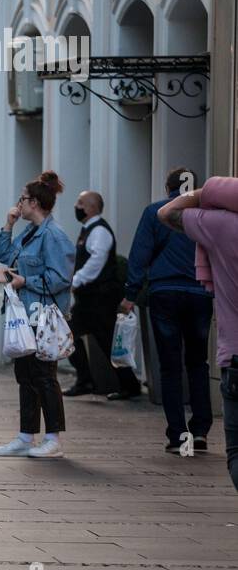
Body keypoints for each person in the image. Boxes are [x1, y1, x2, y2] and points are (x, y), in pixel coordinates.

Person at [123, 168, 214, 452]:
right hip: (200, 292)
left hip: (164, 293)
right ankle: (200, 431)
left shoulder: (155, 212)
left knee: (170, 366)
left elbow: (140, 254)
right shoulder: (207, 215)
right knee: (198, 363)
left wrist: (130, 293)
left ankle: (178, 436)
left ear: (167, 188)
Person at [158, 177, 238, 489]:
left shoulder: (222, 226)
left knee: (235, 452)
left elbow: (166, 213)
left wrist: (206, 191)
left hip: (235, 358)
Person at [0, 171, 76, 459]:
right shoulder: (29, 233)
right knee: (25, 374)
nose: (19, 203)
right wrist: (9, 224)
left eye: (23, 199)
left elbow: (60, 278)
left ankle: (53, 438)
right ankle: (26, 435)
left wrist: (24, 281)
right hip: (24, 314)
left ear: (36, 202)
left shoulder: (54, 235)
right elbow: (3, 254)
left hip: (44, 316)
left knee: (44, 375)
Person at [64, 190, 140, 400]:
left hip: (100, 298)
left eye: (80, 203)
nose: (76, 206)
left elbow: (97, 261)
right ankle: (88, 380)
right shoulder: (88, 230)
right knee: (70, 336)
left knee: (102, 342)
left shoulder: (99, 231)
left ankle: (124, 385)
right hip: (89, 299)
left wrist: (76, 281)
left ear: (91, 208)